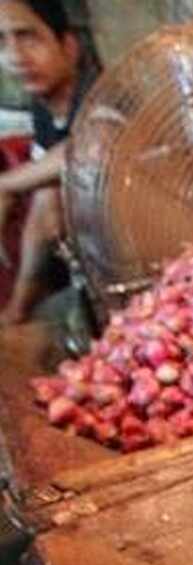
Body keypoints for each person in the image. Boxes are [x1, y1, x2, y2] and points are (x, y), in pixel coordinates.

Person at [0, 0, 98, 325]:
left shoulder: (103, 93)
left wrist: (6, 184)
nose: (15, 56)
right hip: (79, 267)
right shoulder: (43, 107)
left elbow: (80, 151)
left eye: (28, 37)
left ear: (68, 46)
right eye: (2, 42)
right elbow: (43, 191)